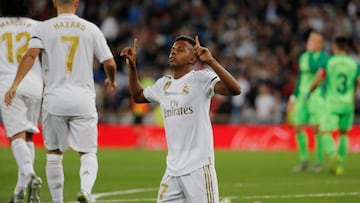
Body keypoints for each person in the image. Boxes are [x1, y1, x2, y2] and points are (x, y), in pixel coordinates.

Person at [4, 0, 117, 202]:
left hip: (54, 100)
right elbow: (109, 62)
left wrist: (15, 85)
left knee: (54, 154)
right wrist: (112, 79)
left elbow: (31, 55)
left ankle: (57, 201)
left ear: (55, 2)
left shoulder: (43, 27)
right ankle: (86, 190)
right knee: (88, 152)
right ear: (77, 2)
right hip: (83, 99)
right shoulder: (91, 28)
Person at [121, 35, 241, 203]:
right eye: (172, 50)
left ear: (192, 58)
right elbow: (138, 96)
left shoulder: (201, 79)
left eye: (180, 49)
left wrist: (211, 61)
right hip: (172, 171)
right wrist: (132, 68)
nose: (173, 52)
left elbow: (235, 89)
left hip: (198, 168)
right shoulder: (163, 84)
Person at [0, 1, 43, 202]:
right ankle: (19, 191)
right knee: (28, 137)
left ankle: (30, 174)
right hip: (35, 84)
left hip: (9, 83)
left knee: (16, 136)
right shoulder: (37, 26)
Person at [307, 35, 360, 175]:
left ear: (335, 47)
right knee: (343, 134)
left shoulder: (329, 62)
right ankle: (340, 165)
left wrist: (309, 92)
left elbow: (318, 79)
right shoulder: (354, 64)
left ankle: (333, 154)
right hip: (348, 104)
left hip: (332, 104)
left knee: (324, 132)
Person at [287, 31, 330, 172]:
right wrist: (293, 97)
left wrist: (311, 53)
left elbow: (314, 68)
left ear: (320, 44)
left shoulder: (324, 58)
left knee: (316, 129)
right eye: (309, 40)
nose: (309, 43)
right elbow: (300, 78)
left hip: (316, 96)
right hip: (301, 97)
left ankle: (318, 161)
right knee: (298, 127)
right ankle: (304, 160)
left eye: (313, 40)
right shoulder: (303, 57)